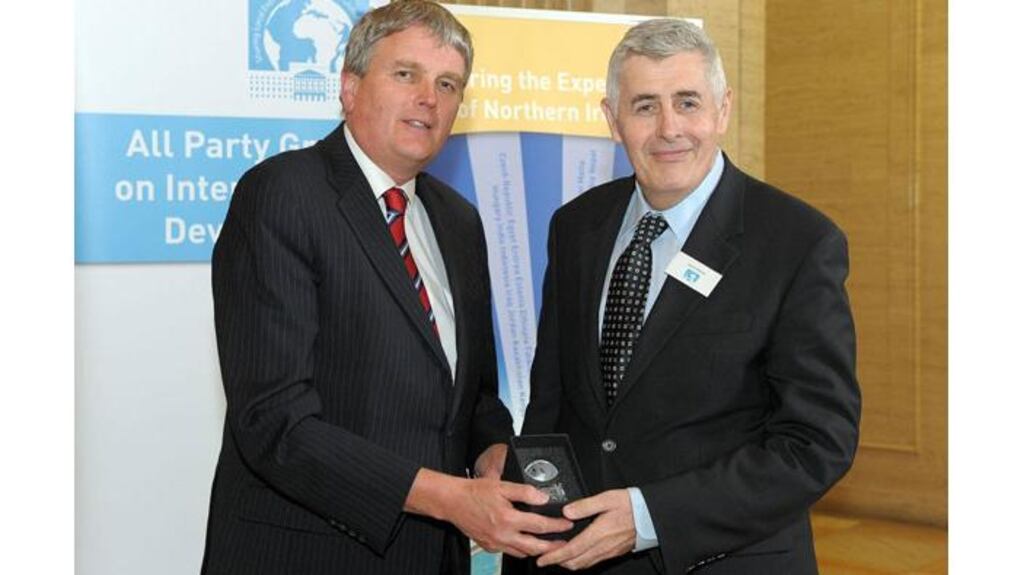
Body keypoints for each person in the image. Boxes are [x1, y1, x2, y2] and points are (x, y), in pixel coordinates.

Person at [201, 2, 570, 574]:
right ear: (350, 87)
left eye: (448, 84)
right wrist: (449, 498)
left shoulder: (458, 220)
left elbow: (473, 395)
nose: (430, 97)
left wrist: (494, 453)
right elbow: (274, 421)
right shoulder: (282, 194)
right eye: (407, 74)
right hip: (308, 553)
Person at [506, 18, 861, 574]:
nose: (669, 128)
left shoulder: (798, 242)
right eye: (645, 105)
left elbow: (816, 443)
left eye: (688, 102)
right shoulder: (576, 227)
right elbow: (550, 406)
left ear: (723, 109)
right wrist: (533, 543)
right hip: (577, 559)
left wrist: (649, 516)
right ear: (611, 119)